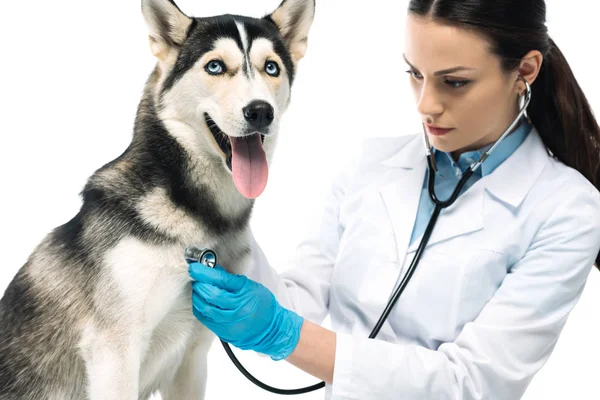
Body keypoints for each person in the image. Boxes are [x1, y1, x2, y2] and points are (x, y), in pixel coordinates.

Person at [187, 0, 600, 398]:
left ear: (524, 71)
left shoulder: (566, 210)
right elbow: (298, 304)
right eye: (415, 73)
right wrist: (226, 233)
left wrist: (282, 333)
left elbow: (472, 384)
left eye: (454, 82)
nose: (426, 104)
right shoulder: (373, 164)